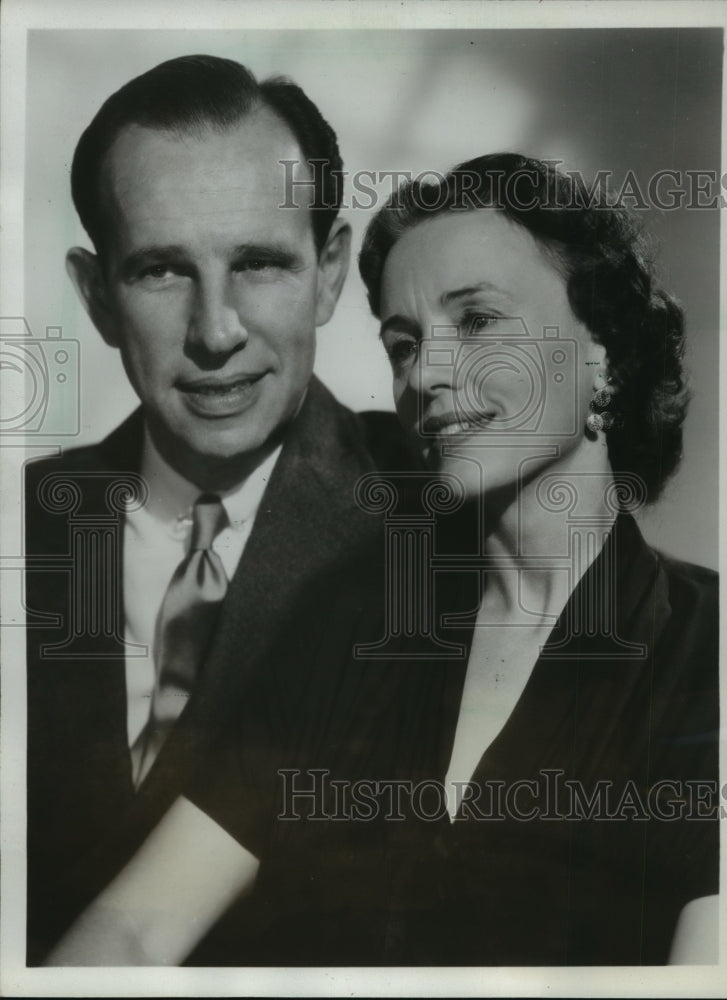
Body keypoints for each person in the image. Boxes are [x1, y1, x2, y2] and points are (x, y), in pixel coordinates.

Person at [43, 154, 719, 967]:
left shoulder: (712, 653)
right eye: (404, 343)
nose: (425, 375)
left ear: (602, 349)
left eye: (475, 323)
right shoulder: (348, 622)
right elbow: (137, 928)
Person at [25, 54, 414, 965]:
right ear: (97, 298)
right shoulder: (27, 520)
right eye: (161, 271)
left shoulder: (435, 525)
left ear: (328, 272)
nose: (215, 331)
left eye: (259, 264)